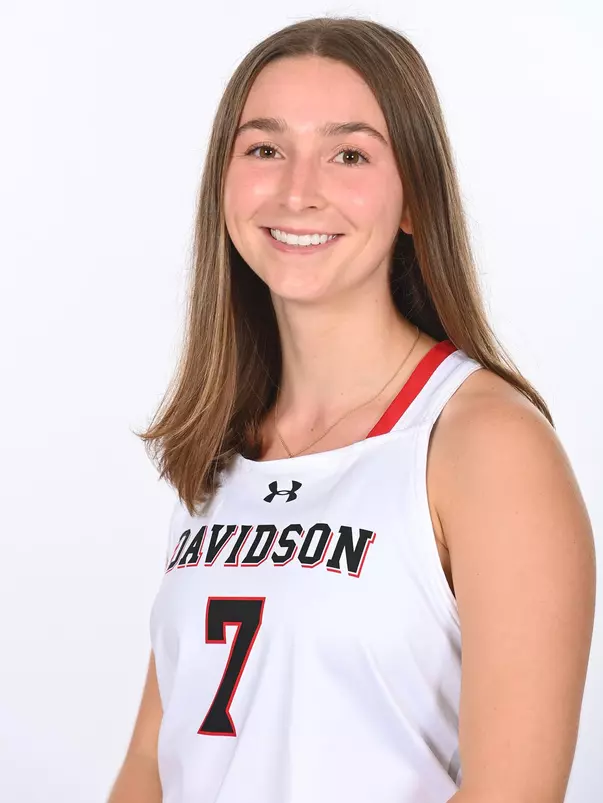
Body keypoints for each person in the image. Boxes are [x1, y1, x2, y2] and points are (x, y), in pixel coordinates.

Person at [107, 16, 596, 803]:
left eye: (349, 154)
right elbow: (149, 760)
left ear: (413, 200)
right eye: (264, 149)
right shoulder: (221, 445)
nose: (298, 190)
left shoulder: (482, 444)